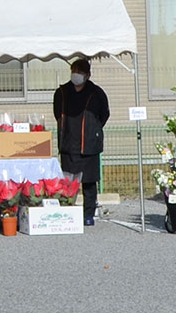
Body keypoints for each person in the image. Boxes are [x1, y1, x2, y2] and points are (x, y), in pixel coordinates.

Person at [53, 59, 109, 226]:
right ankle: (67, 212)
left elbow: (104, 114)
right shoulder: (62, 92)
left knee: (89, 183)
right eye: (74, 71)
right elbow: (57, 113)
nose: (76, 75)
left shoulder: (97, 93)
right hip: (68, 143)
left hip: (89, 145)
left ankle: (88, 215)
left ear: (87, 75)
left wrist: (94, 130)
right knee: (68, 182)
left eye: (80, 72)